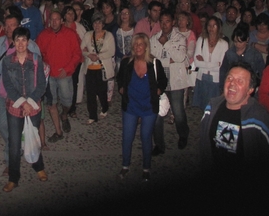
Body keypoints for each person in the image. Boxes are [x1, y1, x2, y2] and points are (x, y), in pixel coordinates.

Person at [0, 14, 41, 177]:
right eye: (7, 25)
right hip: (1, 93)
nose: (10, 29)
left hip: (20, 97)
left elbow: (39, 69)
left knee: (14, 130)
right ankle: (16, 146)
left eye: (13, 25)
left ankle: (11, 162)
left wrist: (32, 96)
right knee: (3, 126)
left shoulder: (31, 45)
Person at [199, 63, 269, 170]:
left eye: (240, 81)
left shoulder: (259, 118)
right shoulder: (212, 108)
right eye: (229, 78)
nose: (232, 83)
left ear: (250, 90)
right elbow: (204, 144)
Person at [1, 27, 48, 192]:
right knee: (14, 144)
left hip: (33, 106)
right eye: (17, 40)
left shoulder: (35, 59)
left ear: (28, 42)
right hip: (15, 107)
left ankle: (39, 166)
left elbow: (42, 83)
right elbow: (8, 85)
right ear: (13, 42)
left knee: (33, 139)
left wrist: (31, 101)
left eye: (24, 40)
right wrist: (23, 103)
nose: (20, 44)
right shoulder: (7, 61)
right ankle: (13, 178)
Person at [117, 33, 167, 182]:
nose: (138, 47)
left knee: (146, 137)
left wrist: (158, 90)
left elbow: (163, 80)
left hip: (148, 106)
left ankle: (146, 167)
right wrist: (121, 88)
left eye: (141, 44)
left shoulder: (154, 63)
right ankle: (125, 165)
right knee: (127, 137)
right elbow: (120, 78)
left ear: (146, 46)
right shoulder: (127, 63)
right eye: (135, 44)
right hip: (131, 105)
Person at [37, 10, 82, 138]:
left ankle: (64, 114)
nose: (54, 22)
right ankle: (58, 131)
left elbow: (77, 54)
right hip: (49, 75)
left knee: (67, 102)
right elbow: (38, 53)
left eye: (57, 19)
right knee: (52, 103)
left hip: (65, 75)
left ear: (62, 20)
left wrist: (67, 69)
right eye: (52, 19)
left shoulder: (70, 34)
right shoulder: (43, 35)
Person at [150, 12, 190, 151]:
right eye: (162, 21)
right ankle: (159, 144)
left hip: (175, 80)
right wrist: (168, 61)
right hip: (160, 80)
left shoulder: (180, 38)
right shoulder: (154, 38)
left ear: (172, 22)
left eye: (167, 21)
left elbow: (179, 57)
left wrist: (166, 44)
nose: (164, 24)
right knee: (157, 113)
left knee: (178, 112)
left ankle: (183, 135)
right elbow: (153, 59)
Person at [80, 12, 115, 124]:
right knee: (90, 93)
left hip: (102, 68)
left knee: (102, 91)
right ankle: (92, 115)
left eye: (100, 23)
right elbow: (82, 49)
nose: (97, 25)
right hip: (90, 68)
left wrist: (98, 56)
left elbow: (111, 51)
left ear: (103, 24)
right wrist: (89, 55)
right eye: (95, 23)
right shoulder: (88, 35)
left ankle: (104, 107)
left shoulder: (108, 35)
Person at [192, 16, 230, 109]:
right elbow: (197, 63)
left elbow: (221, 66)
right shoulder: (201, 40)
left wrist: (204, 62)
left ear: (218, 27)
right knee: (202, 107)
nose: (211, 28)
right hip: (202, 78)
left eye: (214, 26)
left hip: (216, 81)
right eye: (209, 25)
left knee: (215, 106)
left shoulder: (224, 44)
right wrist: (214, 64)